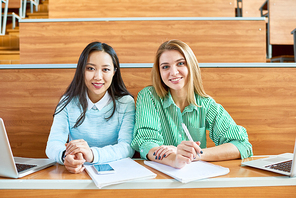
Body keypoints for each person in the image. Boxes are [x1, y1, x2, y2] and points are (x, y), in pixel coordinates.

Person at [131, 40, 253, 169]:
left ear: (191, 66)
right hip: (161, 177)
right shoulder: (149, 96)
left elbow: (242, 145)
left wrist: (194, 155)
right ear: (159, 72)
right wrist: (174, 159)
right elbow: (146, 143)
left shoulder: (205, 104)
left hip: (195, 177)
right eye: (165, 67)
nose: (173, 72)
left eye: (180, 63)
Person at [46, 41, 135, 173]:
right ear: (82, 70)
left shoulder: (126, 103)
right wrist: (66, 156)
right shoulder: (67, 102)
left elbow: (127, 147)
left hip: (114, 174)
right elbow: (53, 144)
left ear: (114, 72)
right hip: (77, 173)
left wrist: (92, 154)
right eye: (90, 68)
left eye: (105, 69)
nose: (98, 77)